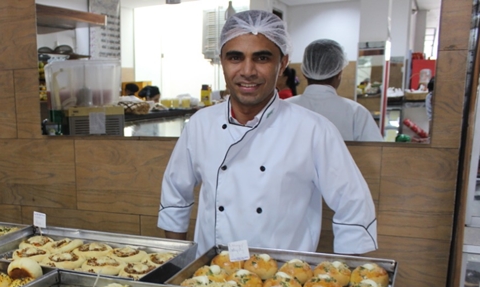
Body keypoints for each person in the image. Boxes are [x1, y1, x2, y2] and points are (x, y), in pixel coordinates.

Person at [158, 10, 377, 256]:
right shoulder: (200, 125)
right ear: (222, 61)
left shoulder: (314, 130)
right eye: (235, 58)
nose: (248, 70)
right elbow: (175, 195)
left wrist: (340, 277)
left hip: (282, 281)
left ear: (282, 63)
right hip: (210, 280)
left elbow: (355, 207)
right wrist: (181, 264)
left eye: (262, 58)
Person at [287, 39, 383, 142]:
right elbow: (375, 153)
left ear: (304, 72)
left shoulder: (284, 109)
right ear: (339, 73)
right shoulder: (356, 112)